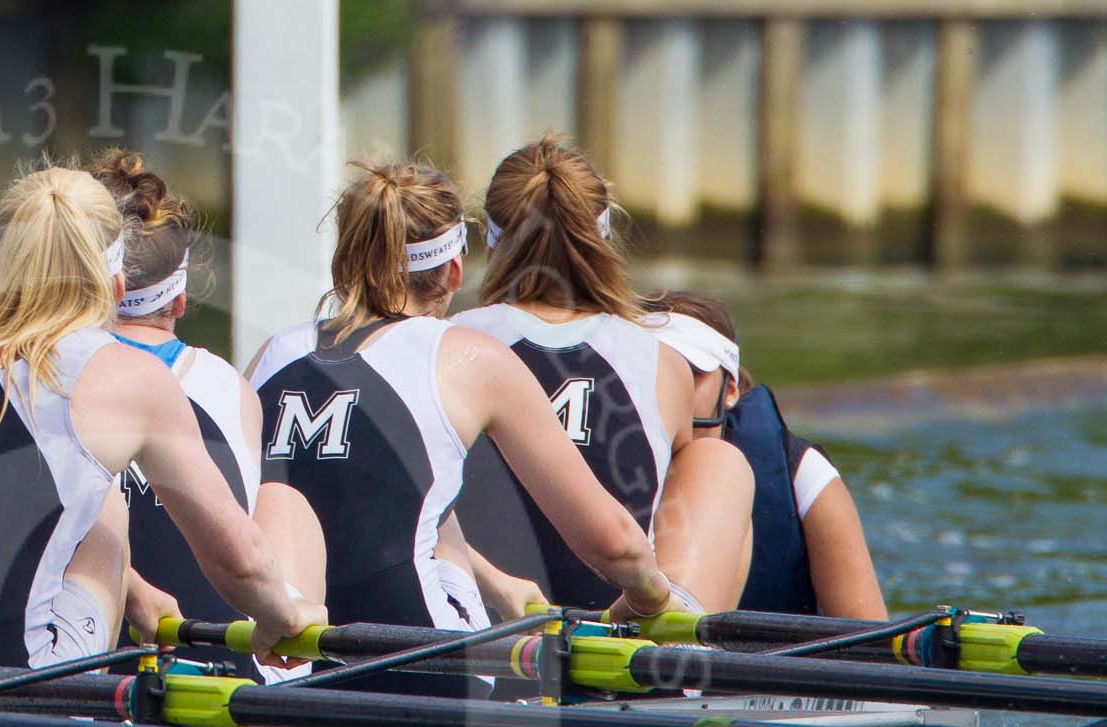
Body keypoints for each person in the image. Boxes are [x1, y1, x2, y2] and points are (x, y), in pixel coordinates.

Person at [0, 165, 317, 670]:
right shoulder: (125, 374)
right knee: (108, 507)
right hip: (13, 689)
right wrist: (284, 619)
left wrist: (135, 589)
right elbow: (238, 560)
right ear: (114, 282)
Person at [246, 160, 677, 694]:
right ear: (453, 273)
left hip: (281, 660)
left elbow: (361, 500)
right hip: (421, 662)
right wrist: (652, 597)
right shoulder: (469, 357)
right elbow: (612, 542)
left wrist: (497, 582)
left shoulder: (272, 353)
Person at [453, 135, 755, 615]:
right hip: (614, 639)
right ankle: (685, 653)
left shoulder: (446, 342)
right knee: (719, 462)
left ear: (489, 242)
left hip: (475, 629)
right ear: (605, 237)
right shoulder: (661, 362)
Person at [86, 147, 261, 676]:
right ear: (179, 301)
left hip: (75, 667)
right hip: (214, 667)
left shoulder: (38, 373)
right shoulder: (227, 388)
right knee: (282, 499)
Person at [644, 290, 887, 620]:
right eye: (654, 373)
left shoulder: (804, 476)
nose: (671, 392)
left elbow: (871, 639)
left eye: (691, 374)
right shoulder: (598, 463)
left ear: (729, 390)